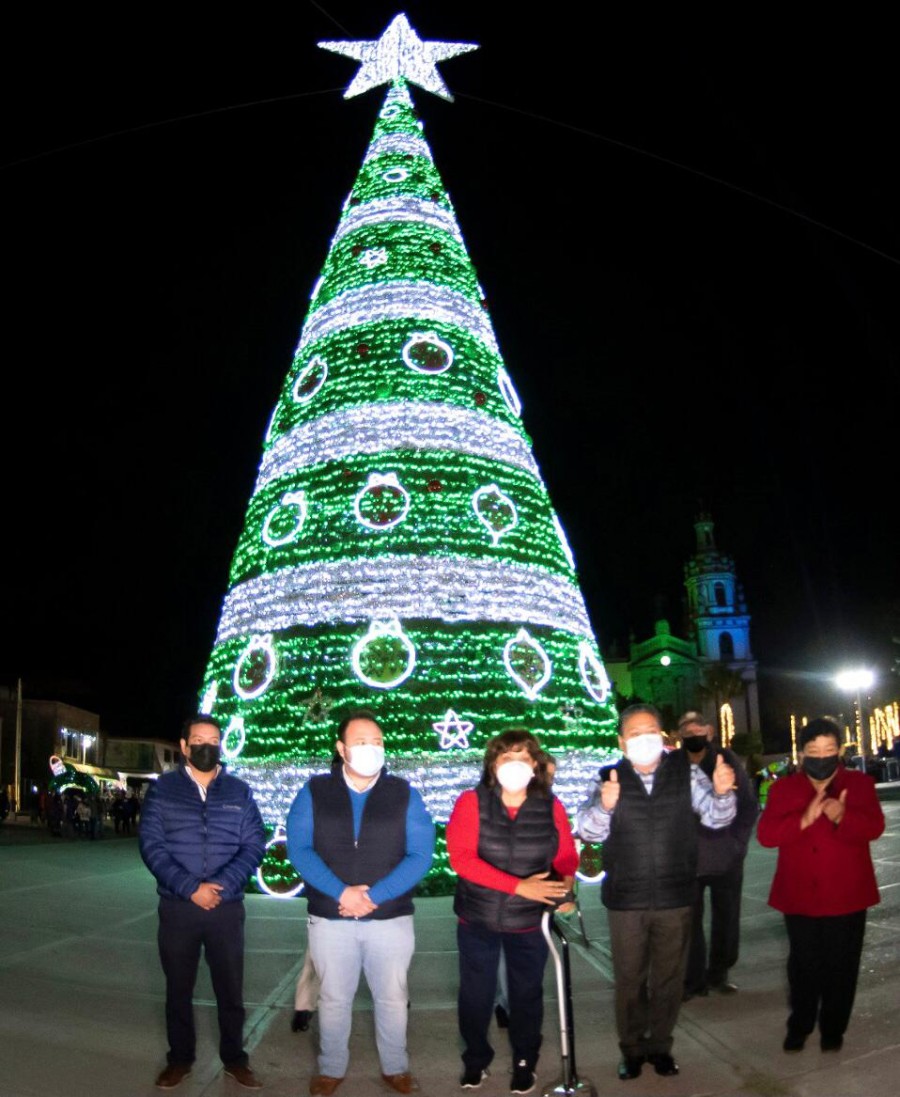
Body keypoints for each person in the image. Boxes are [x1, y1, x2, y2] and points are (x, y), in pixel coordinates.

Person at [574, 703, 737, 1081]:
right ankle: (631, 1049)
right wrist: (605, 805)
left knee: (668, 979)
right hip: (626, 900)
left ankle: (661, 1046)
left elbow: (717, 818)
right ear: (621, 740)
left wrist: (723, 792)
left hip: (676, 896)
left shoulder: (687, 773)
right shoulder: (606, 777)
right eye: (634, 734)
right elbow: (587, 831)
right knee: (629, 980)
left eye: (650, 732)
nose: (642, 739)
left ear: (662, 736)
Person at [286, 709, 435, 1097]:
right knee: (334, 997)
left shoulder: (404, 793)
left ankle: (396, 1066)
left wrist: (372, 896)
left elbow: (421, 854)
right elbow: (300, 849)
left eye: (377, 741)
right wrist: (342, 892)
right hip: (331, 916)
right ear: (341, 748)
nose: (371, 748)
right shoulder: (314, 791)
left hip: (390, 918)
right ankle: (331, 1068)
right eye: (361, 742)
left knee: (392, 996)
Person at [139, 714, 266, 1091]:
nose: (206, 747)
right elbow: (152, 846)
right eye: (198, 741)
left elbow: (254, 843)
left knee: (230, 989)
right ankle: (179, 1059)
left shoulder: (239, 791)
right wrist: (190, 887)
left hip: (226, 909)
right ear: (184, 746)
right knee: (178, 989)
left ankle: (235, 1059)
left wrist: (222, 885)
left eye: (213, 740)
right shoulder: (163, 790)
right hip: (178, 908)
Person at [447, 730, 577, 1095]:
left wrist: (565, 887)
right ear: (492, 765)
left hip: (528, 922)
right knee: (476, 994)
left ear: (535, 765)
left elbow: (564, 855)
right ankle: (476, 1059)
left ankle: (525, 1062)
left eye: (522, 757)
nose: (514, 765)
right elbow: (463, 859)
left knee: (526, 995)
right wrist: (520, 886)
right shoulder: (471, 803)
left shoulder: (551, 806)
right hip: (478, 919)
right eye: (505, 758)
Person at [756, 715, 885, 1053]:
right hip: (799, 897)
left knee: (843, 966)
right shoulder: (784, 788)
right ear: (802, 754)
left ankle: (833, 1029)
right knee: (803, 966)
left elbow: (874, 827)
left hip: (847, 896)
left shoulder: (858, 785)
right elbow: (766, 836)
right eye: (815, 750)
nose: (822, 756)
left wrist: (842, 815)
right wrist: (804, 818)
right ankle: (799, 1024)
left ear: (840, 750)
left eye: (829, 749)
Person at [676, 711, 759, 999]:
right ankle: (692, 979)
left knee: (727, 917)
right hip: (687, 859)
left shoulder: (727, 759)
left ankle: (719, 972)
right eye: (686, 730)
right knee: (688, 923)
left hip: (725, 858)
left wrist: (737, 844)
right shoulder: (672, 765)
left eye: (698, 728)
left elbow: (748, 805)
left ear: (710, 731)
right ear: (679, 736)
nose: (693, 733)